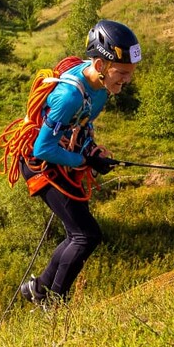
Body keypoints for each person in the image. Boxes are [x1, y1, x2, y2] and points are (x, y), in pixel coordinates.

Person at [19, 19, 141, 307]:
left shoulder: (101, 88)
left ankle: (39, 290)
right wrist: (81, 159)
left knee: (80, 234)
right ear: (99, 65)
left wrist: (92, 152)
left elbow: (82, 124)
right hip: (40, 163)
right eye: (121, 73)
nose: (126, 81)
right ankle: (53, 303)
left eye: (130, 74)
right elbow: (43, 147)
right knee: (86, 235)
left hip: (62, 156)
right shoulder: (69, 95)